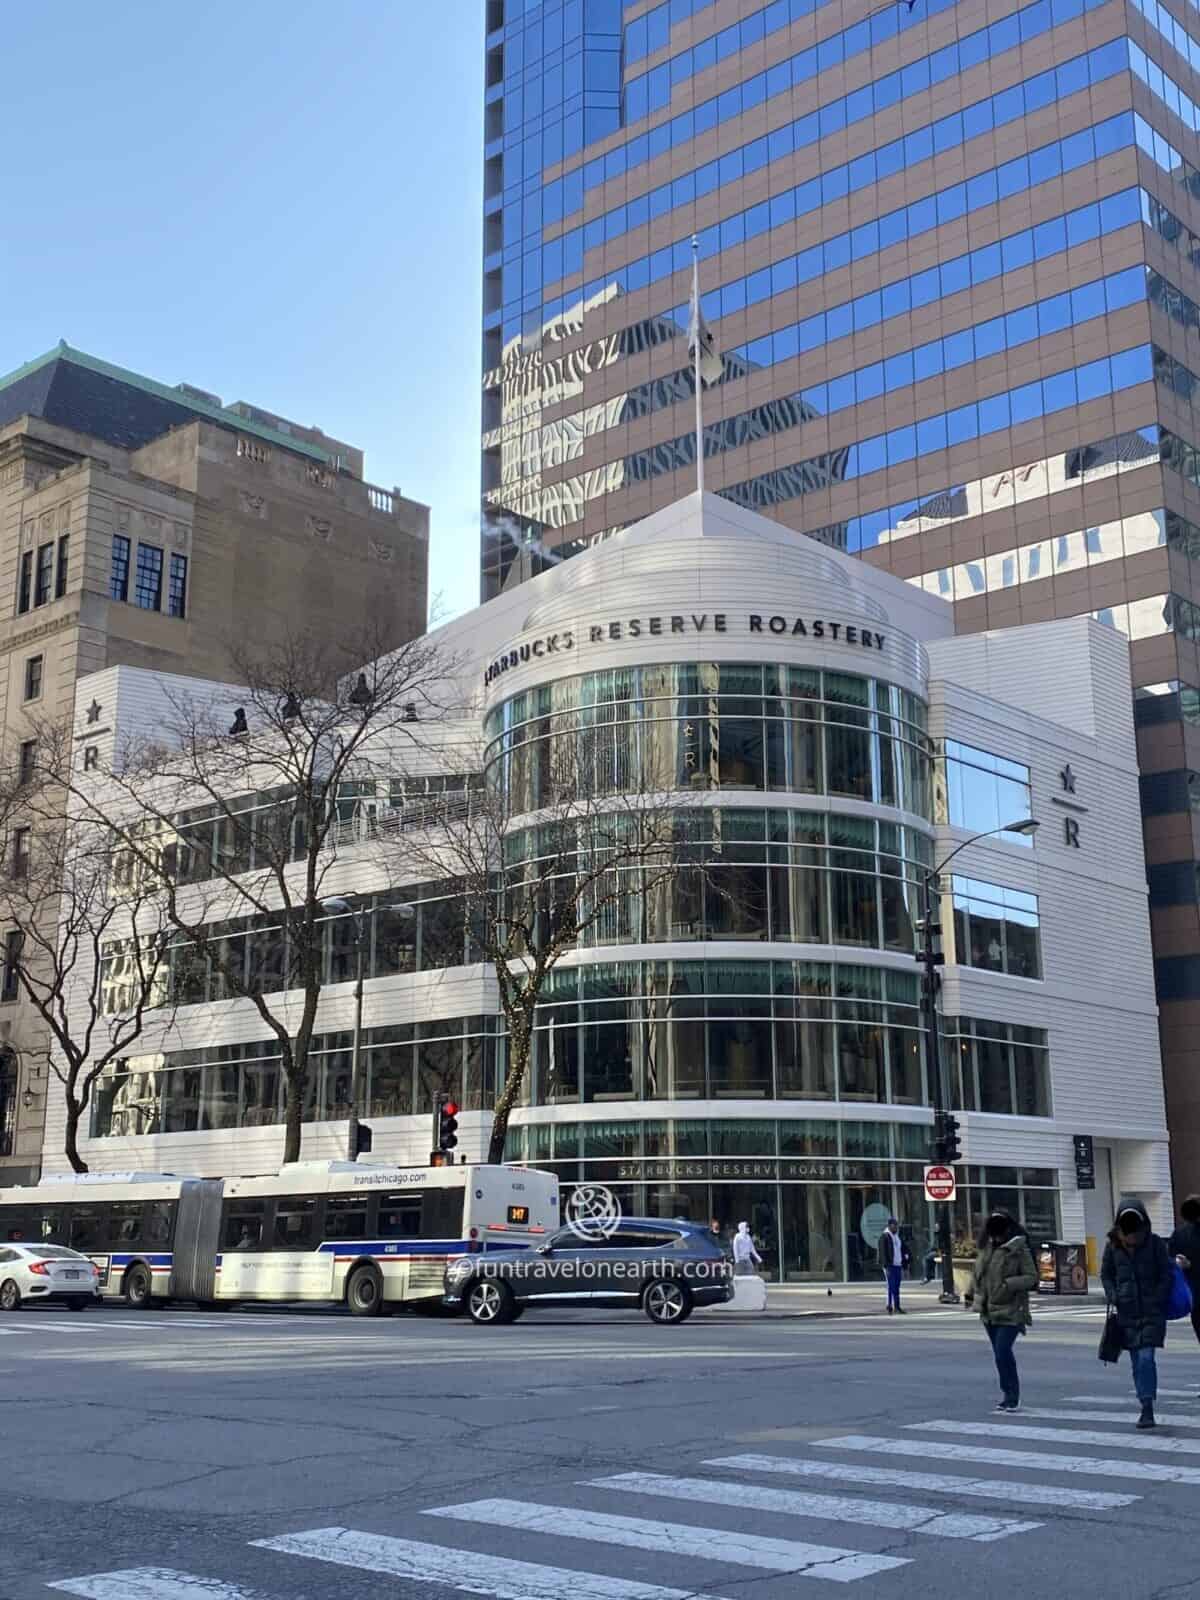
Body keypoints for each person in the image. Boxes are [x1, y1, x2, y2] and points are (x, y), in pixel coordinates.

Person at [1101, 1198, 1172, 1429]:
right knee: (1136, 1362)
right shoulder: (1113, 1247)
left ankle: (1148, 1407)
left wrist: (1158, 1297)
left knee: (1146, 1358)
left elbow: (1166, 1274)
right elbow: (1106, 1274)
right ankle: (1145, 1404)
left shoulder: (1155, 1244)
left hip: (1151, 1312)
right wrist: (1114, 1294)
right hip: (1127, 1313)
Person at [964, 1209, 1038, 1412]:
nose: (995, 1236)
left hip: (1011, 1309)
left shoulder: (1018, 1249)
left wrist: (1008, 1284)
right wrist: (970, 1293)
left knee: (1003, 1351)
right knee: (999, 1354)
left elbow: (1031, 1277)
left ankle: (1012, 1396)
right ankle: (1007, 1394)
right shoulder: (986, 1250)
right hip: (988, 1310)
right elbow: (978, 1274)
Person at [1168, 1195, 1200, 1390]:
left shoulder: (1180, 1233)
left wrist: (1183, 1265)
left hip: (1193, 1295)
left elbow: (1170, 1259)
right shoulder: (1181, 1234)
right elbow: (1170, 1260)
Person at [879, 1218, 910, 1314]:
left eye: (897, 1225)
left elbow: (903, 1249)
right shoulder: (885, 1237)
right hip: (890, 1265)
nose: (896, 1227)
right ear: (889, 1225)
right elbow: (882, 1253)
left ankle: (896, 1306)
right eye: (894, 1225)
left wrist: (905, 1263)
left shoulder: (897, 1237)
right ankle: (891, 1305)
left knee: (896, 1286)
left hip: (898, 1265)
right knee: (891, 1286)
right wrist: (886, 1266)